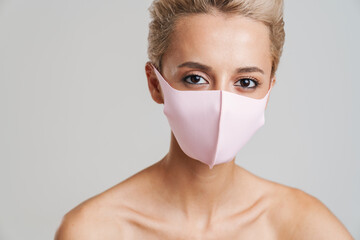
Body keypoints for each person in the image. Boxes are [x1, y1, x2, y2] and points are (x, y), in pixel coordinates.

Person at [55, 0, 354, 239]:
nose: (221, 104)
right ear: (155, 84)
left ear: (269, 90)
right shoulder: (93, 231)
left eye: (246, 82)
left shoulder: (304, 229)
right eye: (195, 78)